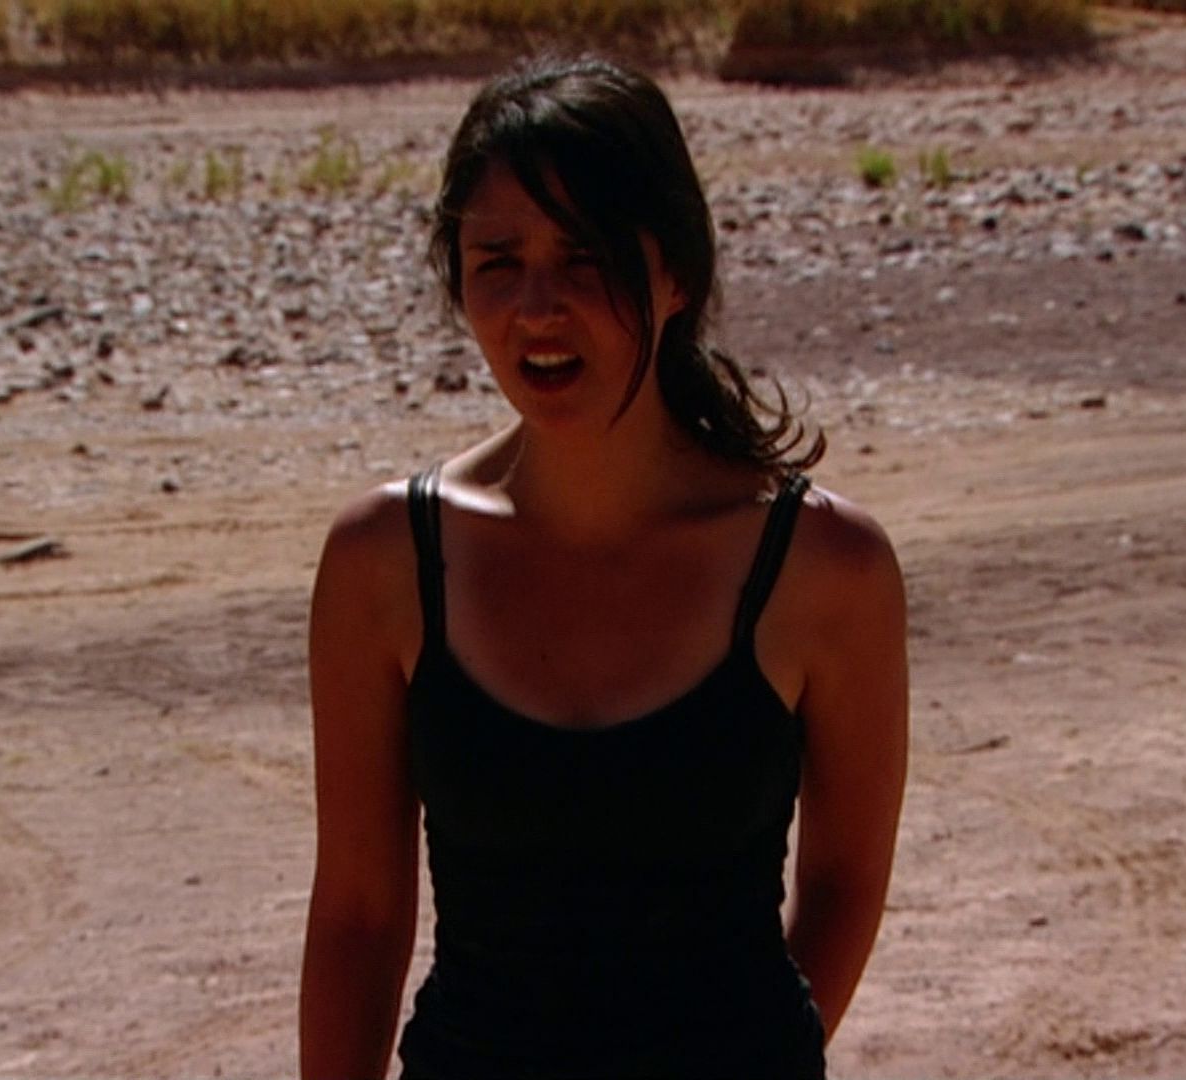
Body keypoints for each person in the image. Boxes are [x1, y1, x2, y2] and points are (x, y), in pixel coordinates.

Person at [299, 54, 908, 1080]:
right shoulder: (386, 560)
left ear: (676, 276)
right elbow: (359, 915)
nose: (538, 306)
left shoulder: (824, 567)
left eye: (585, 257)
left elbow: (845, 883)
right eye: (498, 262)